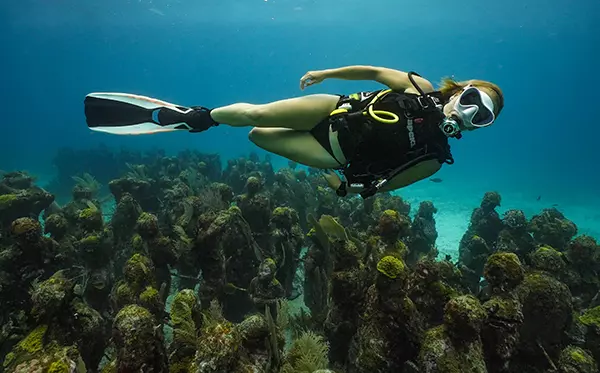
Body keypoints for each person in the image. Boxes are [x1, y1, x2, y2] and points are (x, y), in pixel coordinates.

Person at [84, 65, 504, 198]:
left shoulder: (435, 156)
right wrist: (326, 74)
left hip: (334, 154)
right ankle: (197, 117)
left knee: (256, 138)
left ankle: (203, 118)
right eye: (470, 100)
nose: (467, 113)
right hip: (335, 110)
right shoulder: (420, 87)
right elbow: (375, 71)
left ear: (479, 127)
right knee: (255, 114)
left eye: (480, 117)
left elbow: (386, 183)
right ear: (459, 90)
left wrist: (347, 188)